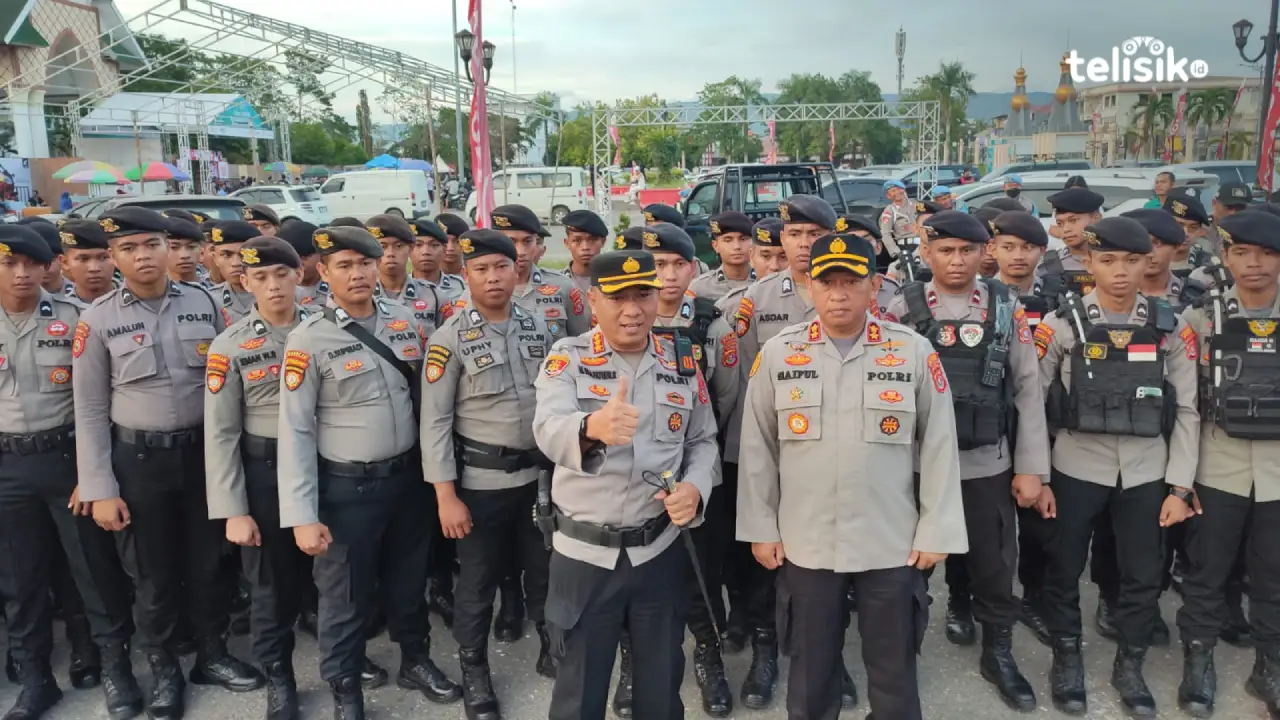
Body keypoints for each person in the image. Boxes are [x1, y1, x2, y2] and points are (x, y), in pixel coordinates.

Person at [738, 231, 967, 720]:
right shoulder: (779, 353)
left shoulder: (912, 352)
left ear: (874, 286)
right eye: (827, 283)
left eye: (850, 281)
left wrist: (937, 529)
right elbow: (757, 448)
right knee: (810, 670)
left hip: (891, 539)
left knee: (894, 671)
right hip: (808, 541)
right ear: (811, 286)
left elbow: (941, 444)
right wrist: (761, 529)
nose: (838, 294)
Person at [73, 206, 262, 719]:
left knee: (209, 565)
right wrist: (99, 486)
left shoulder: (203, 302)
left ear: (170, 247)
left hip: (203, 455)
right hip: (138, 461)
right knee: (152, 575)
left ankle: (213, 655)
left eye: (152, 245)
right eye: (129, 249)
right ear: (114, 257)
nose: (143, 256)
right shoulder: (97, 320)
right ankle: (163, 672)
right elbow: (89, 410)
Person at [277, 225, 459, 719]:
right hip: (346, 489)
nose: (357, 274)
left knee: (408, 579)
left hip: (406, 481)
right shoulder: (308, 338)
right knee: (345, 595)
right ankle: (345, 688)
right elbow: (295, 431)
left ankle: (415, 660)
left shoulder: (404, 323)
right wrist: (301, 515)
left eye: (364, 263)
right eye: (344, 265)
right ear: (322, 272)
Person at [533, 248, 718, 720]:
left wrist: (695, 488)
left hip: (657, 550)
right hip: (585, 556)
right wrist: (591, 427)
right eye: (619, 298)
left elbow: (701, 439)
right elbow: (547, 427)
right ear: (594, 301)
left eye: (643, 295)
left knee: (660, 689)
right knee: (579, 692)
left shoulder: (680, 359)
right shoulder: (568, 358)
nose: (633, 309)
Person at [1035, 215, 1199, 717]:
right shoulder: (1060, 324)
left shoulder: (1171, 326)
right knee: (1062, 570)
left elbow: (1189, 409)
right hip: (1076, 466)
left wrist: (1181, 487)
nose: (1121, 272)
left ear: (1149, 261)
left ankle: (1130, 664)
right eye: (1107, 261)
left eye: (1132, 260)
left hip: (1148, 472)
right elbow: (1033, 406)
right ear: (1089, 262)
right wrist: (1038, 475)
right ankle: (1067, 657)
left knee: (1144, 574)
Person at [884, 210, 1047, 711]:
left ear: (986, 253)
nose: (957, 261)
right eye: (946, 251)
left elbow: (1027, 388)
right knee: (905, 569)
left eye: (968, 250)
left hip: (986, 463)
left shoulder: (1006, 306)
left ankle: (998, 653)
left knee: (996, 564)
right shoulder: (901, 306)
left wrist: (1030, 467)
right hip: (913, 466)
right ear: (927, 253)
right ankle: (898, 659)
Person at [0, 225, 140, 720]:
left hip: (67, 460)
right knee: (20, 582)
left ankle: (114, 669)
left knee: (93, 573)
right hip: (8, 467)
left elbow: (94, 404)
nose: (20, 274)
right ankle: (36, 679)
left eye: (30, 264)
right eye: (8, 263)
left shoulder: (76, 319)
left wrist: (92, 473)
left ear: (47, 267)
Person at [729, 194, 858, 709]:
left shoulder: (863, 296)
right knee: (765, 563)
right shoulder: (752, 302)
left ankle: (834, 660)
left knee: (836, 565)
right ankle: (766, 650)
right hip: (768, 455)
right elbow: (736, 383)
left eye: (813, 235)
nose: (803, 245)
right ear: (779, 240)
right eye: (794, 235)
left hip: (837, 458)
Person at [420, 229, 555, 720]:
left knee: (542, 572)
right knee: (476, 583)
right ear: (465, 274)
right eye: (482, 269)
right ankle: (474, 668)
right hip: (480, 485)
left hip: (537, 479)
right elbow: (433, 425)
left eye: (503, 266)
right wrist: (445, 497)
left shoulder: (538, 324)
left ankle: (549, 642)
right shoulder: (447, 339)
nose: (495, 277)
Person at [617, 222, 741, 716]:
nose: (666, 276)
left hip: (694, 473)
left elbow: (727, 400)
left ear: (694, 268)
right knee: (631, 578)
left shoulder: (714, 324)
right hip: (632, 476)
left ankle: (708, 656)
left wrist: (697, 469)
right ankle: (633, 664)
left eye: (675, 264)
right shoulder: (616, 323)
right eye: (655, 266)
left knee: (700, 575)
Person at [203, 236, 317, 720]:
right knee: (271, 585)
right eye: (261, 278)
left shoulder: (325, 331)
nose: (273, 286)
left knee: (332, 578)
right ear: (245, 282)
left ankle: (344, 664)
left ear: (299, 277)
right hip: (263, 471)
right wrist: (233, 509)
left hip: (321, 466)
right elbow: (220, 434)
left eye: (281, 275)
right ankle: (279, 677)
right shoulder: (230, 346)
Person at [1177, 210, 1280, 718]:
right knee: (1207, 572)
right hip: (1217, 467)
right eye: (1241, 252)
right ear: (1225, 256)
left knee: (1274, 573)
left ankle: (1271, 665)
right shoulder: (1201, 318)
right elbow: (1186, 404)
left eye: (1266, 253)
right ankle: (1199, 659)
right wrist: (1181, 481)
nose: (1254, 264)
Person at [985, 211, 1056, 645]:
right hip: (988, 421)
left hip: (1042, 422)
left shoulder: (1059, 298)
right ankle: (962, 599)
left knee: (1038, 525)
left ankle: (1033, 597)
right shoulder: (983, 298)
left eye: (1026, 247)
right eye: (1007, 247)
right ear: (991, 250)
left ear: (1040, 252)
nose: (1017, 256)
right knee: (987, 528)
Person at [458, 205, 589, 344]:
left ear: (536, 242)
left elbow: (581, 342)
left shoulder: (562, 286)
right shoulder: (474, 294)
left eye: (528, 241)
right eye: (511, 241)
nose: (520, 251)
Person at [367, 214, 445, 330]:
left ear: (411, 249)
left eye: (398, 246)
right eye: (383, 246)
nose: (390, 253)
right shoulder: (364, 295)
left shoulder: (434, 296)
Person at [1124, 208, 1198, 310]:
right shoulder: (1110, 296)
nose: (1150, 253)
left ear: (1176, 247)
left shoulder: (1195, 295)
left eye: (1158, 244)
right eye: (1141, 244)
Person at [1037, 187, 1106, 295]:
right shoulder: (1048, 266)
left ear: (1096, 218)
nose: (1066, 229)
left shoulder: (1118, 260)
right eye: (1060, 223)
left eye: (1073, 221)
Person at [690, 211, 755, 303]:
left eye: (743, 239)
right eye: (728, 240)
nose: (737, 246)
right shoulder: (700, 287)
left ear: (753, 243)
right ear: (715, 246)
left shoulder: (766, 284)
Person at [209, 220, 264, 324]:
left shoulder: (287, 294)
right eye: (226, 255)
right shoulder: (209, 300)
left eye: (243, 255)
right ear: (215, 258)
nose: (236, 263)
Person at [57, 219, 116, 307]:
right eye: (83, 259)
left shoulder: (139, 301)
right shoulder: (58, 311)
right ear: (65, 262)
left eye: (104, 258)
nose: (94, 268)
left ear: (115, 257)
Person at [410, 217, 466, 302]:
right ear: (409, 249)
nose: (426, 252)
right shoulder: (399, 286)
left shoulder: (460, 286)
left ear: (444, 249)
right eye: (418, 245)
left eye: (434, 245)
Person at [277, 220, 326, 307]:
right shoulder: (276, 291)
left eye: (304, 257)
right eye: (292, 259)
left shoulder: (336, 287)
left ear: (320, 253)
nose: (299, 264)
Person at [16, 219, 70, 297]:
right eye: (35, 262)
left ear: (62, 259)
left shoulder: (80, 293)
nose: (46, 268)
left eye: (51, 260)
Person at [877, 180, 918, 261]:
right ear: (888, 196)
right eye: (893, 191)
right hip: (906, 248)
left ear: (904, 190)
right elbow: (885, 234)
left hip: (922, 246)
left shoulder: (916, 205)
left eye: (899, 189)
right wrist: (896, 253)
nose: (897, 192)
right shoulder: (889, 211)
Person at [164, 218, 207, 286]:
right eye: (174, 247)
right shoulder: (152, 292)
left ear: (202, 252)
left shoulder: (214, 293)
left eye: (191, 247)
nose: (184, 255)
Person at [438, 213, 470, 278]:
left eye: (457, 242)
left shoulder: (473, 278)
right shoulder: (422, 280)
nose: (450, 248)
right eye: (445, 241)